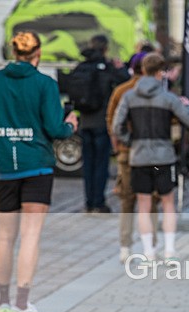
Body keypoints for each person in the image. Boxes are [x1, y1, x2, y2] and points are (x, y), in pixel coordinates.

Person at [0, 31, 78, 312]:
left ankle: (3, 303)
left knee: (5, 237)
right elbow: (55, 128)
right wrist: (70, 125)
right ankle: (22, 304)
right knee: (30, 236)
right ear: (38, 53)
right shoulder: (45, 83)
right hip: (37, 166)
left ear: (12, 51)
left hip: (6, 165)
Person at [113, 53, 189, 264]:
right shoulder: (168, 97)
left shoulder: (129, 96)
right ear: (161, 72)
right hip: (164, 157)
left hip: (138, 156)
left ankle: (148, 252)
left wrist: (130, 141)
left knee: (143, 204)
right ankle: (169, 250)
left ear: (142, 70)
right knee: (167, 202)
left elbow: (117, 126)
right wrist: (188, 104)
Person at [106, 52, 159, 263]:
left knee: (127, 201)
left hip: (128, 152)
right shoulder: (158, 90)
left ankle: (125, 247)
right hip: (152, 152)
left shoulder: (121, 90)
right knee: (151, 200)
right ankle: (151, 246)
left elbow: (112, 122)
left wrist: (120, 145)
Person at [73, 34, 129, 213]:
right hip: (101, 122)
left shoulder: (80, 67)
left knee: (88, 164)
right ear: (105, 48)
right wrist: (120, 68)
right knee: (101, 164)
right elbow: (125, 82)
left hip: (85, 122)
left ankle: (88, 201)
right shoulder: (108, 68)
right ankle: (98, 201)